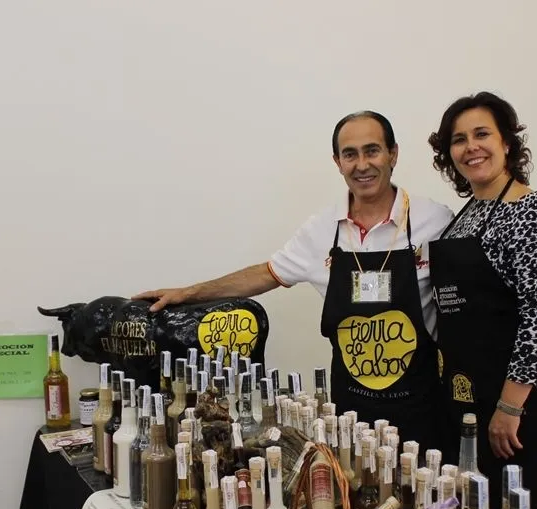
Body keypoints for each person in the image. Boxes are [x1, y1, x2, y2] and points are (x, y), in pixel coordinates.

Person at [133, 111, 453, 452]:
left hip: (421, 407)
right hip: (350, 412)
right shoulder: (321, 230)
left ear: (393, 153)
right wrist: (187, 293)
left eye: (372, 150)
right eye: (350, 154)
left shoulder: (434, 220)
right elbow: (266, 274)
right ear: (338, 162)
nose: (362, 165)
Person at [425, 92, 537, 509]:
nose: (470, 147)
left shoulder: (532, 213)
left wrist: (510, 407)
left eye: (482, 134)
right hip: (470, 393)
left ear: (507, 142)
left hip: (516, 406)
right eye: (459, 139)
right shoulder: (469, 213)